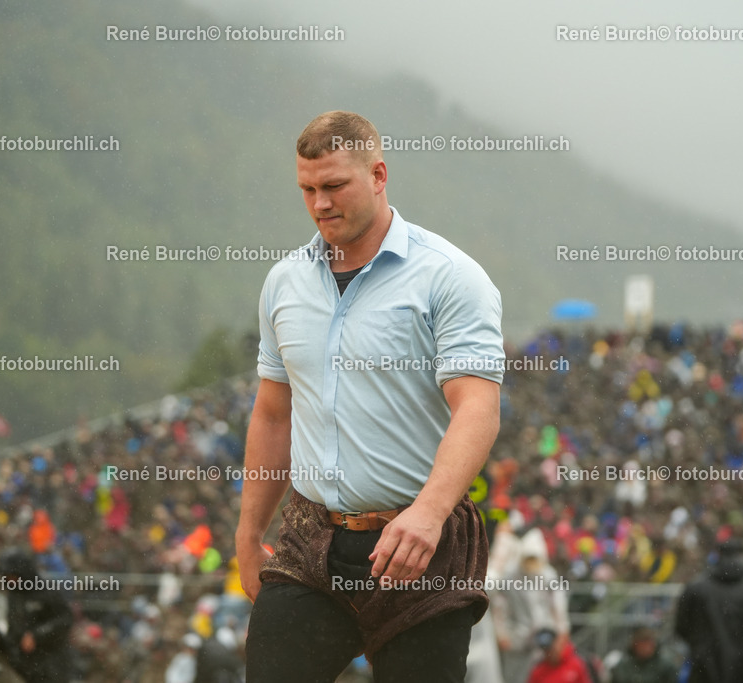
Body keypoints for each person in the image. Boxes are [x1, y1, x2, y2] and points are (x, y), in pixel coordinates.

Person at [237, 110, 504, 683]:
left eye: (334, 185)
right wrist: (247, 532)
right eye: (307, 189)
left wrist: (429, 514)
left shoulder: (450, 277)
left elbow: (477, 409)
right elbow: (272, 414)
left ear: (379, 175)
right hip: (309, 544)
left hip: (422, 549)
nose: (319, 203)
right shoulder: (284, 282)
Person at [674, 539, 743, 683]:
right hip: (740, 668)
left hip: (703, 667)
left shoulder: (696, 589)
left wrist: (699, 646)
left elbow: (681, 626)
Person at [492, 528, 571, 683]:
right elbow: (500, 607)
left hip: (545, 639)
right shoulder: (510, 575)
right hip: (516, 639)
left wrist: (562, 633)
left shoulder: (548, 575)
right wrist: (501, 634)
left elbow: (558, 606)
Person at [0, 549, 73, 683]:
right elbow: (13, 627)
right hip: (23, 665)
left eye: (11, 576)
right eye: (6, 577)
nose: (9, 580)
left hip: (50, 663)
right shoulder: (14, 596)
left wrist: (37, 635)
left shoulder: (47, 590)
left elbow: (65, 619)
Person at [609, 627, 679, 683]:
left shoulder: (666, 667)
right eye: (643, 644)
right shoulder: (622, 667)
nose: (646, 648)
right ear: (635, 645)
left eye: (649, 644)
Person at [527, 628, 592, 683]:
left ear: (558, 642)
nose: (549, 652)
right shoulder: (538, 671)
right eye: (545, 649)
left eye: (551, 648)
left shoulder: (577, 663)